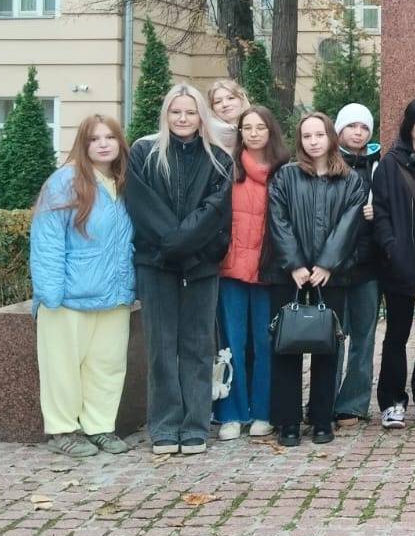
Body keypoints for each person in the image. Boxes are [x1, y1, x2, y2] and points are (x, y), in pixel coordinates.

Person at [125, 85, 233, 456]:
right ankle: (165, 425)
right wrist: (173, 244)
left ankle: (195, 426)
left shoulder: (218, 159)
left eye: (190, 113)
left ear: (201, 116)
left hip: (200, 267)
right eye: (176, 112)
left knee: (197, 347)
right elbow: (142, 205)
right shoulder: (143, 152)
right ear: (166, 115)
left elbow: (214, 211)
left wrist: (183, 247)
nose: (183, 119)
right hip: (155, 265)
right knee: (160, 347)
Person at [29, 114, 136, 458]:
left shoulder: (123, 182)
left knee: (107, 365)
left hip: (114, 294)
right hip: (69, 296)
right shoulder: (64, 182)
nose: (103, 144)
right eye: (94, 139)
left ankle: (100, 426)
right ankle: (63, 430)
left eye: (109, 137)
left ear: (120, 142)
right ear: (83, 144)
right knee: (62, 367)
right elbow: (47, 240)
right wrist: (50, 293)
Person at [266, 111, 367, 447]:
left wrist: (327, 264)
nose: (313, 142)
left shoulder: (350, 179)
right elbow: (278, 220)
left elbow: (350, 224)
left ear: (330, 137)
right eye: (307, 136)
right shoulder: (286, 176)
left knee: (328, 346)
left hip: (331, 276)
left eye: (319, 135)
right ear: (300, 141)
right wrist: (294, 263)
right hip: (289, 274)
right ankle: (288, 421)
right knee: (287, 346)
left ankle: (322, 418)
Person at [215, 105, 289, 441]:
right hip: (230, 269)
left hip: (268, 271)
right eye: (248, 127)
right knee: (232, 343)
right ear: (240, 133)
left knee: (264, 342)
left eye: (261, 127)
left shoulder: (284, 172)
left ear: (271, 131)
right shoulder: (226, 169)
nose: (254, 133)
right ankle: (231, 412)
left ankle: (263, 411)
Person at [371, 98, 415, 428]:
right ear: (409, 124)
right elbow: (381, 210)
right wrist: (390, 246)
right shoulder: (390, 163)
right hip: (400, 261)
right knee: (397, 333)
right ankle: (392, 401)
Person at [330, 103, 383, 427]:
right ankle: (325, 397)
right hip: (334, 267)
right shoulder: (328, 163)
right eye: (351, 126)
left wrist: (379, 214)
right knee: (332, 335)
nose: (358, 132)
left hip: (368, 266)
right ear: (339, 130)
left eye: (363, 128)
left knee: (363, 337)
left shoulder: (378, 166)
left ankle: (352, 403)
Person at [207, 80, 249, 151]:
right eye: (218, 102)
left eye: (231, 98)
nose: (225, 104)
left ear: (242, 100)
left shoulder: (257, 129)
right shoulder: (206, 137)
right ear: (212, 108)